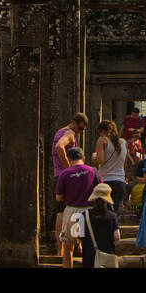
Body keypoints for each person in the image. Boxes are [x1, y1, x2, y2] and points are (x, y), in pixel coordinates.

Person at [51, 112, 89, 262]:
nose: (79, 132)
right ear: (73, 123)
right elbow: (60, 147)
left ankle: (60, 249)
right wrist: (69, 168)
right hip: (66, 175)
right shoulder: (69, 132)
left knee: (61, 211)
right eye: (79, 128)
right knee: (76, 207)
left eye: (82, 130)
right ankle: (73, 244)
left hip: (58, 175)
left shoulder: (59, 131)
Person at [54, 146, 100, 269]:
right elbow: (101, 191)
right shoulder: (93, 171)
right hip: (89, 212)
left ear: (69, 159)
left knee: (69, 248)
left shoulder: (65, 173)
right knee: (89, 247)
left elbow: (58, 197)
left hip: (73, 212)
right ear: (83, 158)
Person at [79, 182, 121, 269]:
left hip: (89, 257)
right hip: (107, 257)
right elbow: (117, 237)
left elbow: (77, 236)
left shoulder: (84, 215)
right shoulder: (112, 216)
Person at [93, 119, 131, 209]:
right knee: (114, 213)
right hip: (120, 181)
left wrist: (93, 158)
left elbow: (100, 160)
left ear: (102, 131)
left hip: (106, 180)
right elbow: (124, 164)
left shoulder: (102, 140)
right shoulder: (124, 142)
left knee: (103, 212)